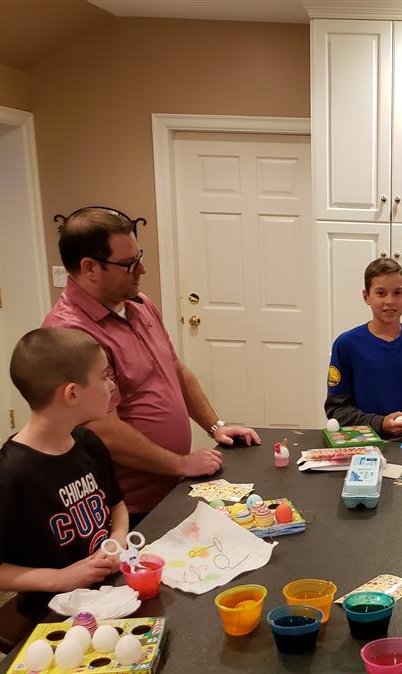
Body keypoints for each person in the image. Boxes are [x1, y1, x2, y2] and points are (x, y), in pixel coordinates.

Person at [42, 207, 260, 521]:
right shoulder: (69, 336)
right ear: (89, 267)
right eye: (129, 264)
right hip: (127, 507)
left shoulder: (140, 305)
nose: (142, 269)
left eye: (139, 257)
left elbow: (175, 369)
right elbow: (104, 431)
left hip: (171, 486)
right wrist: (182, 463)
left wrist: (216, 426)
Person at [0, 328, 128, 621]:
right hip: (54, 615)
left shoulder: (89, 443)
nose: (111, 385)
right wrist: (59, 578)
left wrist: (117, 539)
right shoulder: (12, 474)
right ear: (72, 393)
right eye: (104, 376)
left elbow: (117, 506)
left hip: (108, 594)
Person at [325, 258, 402, 437]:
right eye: (381, 293)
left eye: (397, 293)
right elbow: (337, 409)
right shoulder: (346, 345)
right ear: (366, 296)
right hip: (363, 444)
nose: (390, 301)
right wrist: (380, 423)